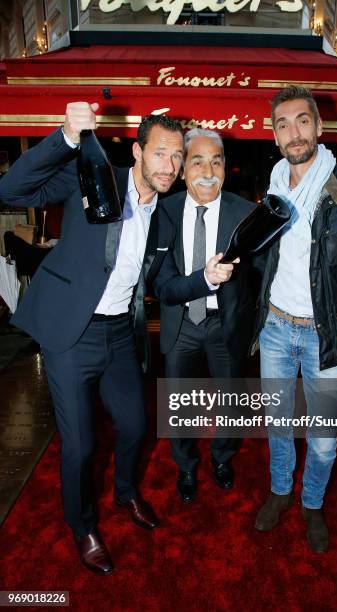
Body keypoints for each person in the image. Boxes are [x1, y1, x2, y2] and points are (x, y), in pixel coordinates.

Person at [0, 104, 233, 575]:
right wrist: (65, 134)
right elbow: (11, 188)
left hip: (119, 335)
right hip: (71, 332)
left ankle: (126, 492)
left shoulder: (165, 219)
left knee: (134, 426)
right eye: (161, 154)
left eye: (177, 157)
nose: (170, 166)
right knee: (82, 446)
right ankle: (82, 524)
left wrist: (205, 279)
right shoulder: (93, 175)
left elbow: (165, 286)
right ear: (137, 152)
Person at [253, 86, 337, 552]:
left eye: (302, 121)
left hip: (327, 335)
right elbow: (267, 261)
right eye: (284, 124)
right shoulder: (272, 186)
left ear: (319, 127)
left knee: (325, 440)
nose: (294, 132)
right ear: (274, 135)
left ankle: (312, 504)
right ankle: (280, 492)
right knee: (276, 422)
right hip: (275, 327)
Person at [153, 128, 263, 502]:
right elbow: (161, 282)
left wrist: (259, 324)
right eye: (197, 160)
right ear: (183, 169)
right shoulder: (162, 212)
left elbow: (264, 273)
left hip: (226, 324)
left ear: (225, 167)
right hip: (180, 322)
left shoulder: (246, 213)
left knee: (231, 402)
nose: (208, 170)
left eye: (216, 161)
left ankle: (223, 458)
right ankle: (185, 466)